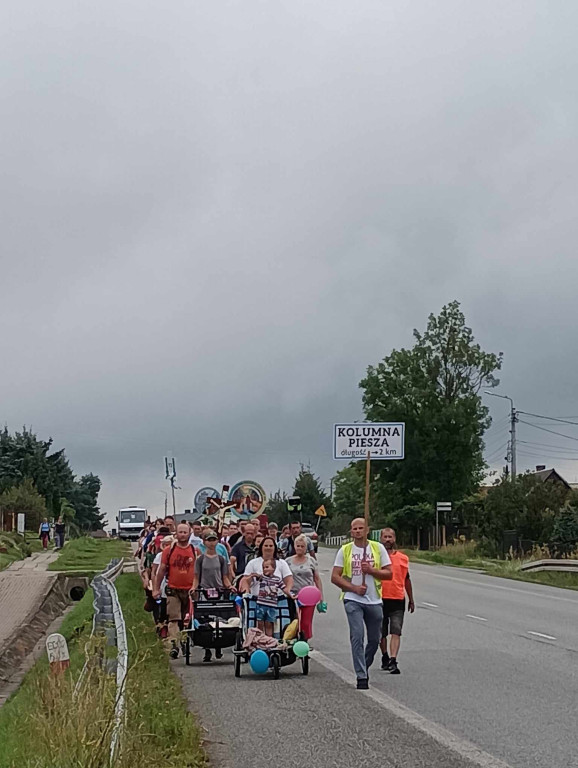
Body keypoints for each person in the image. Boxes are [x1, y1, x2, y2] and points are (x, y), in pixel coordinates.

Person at [331, 518, 392, 690]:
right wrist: (354, 588)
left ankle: (364, 663)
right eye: (354, 528)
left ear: (367, 530)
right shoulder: (345, 550)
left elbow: (389, 573)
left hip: (374, 600)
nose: (358, 531)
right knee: (357, 636)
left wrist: (371, 570)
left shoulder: (377, 548)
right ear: (351, 532)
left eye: (361, 528)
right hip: (353, 599)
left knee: (374, 639)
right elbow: (335, 577)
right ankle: (361, 676)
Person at [154, 522, 196, 659]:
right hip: (173, 590)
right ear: (176, 534)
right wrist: (156, 588)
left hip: (190, 591)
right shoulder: (169, 551)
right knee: (173, 619)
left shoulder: (195, 551)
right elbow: (161, 571)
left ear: (189, 533)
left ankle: (184, 641)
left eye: (185, 532)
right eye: (180, 532)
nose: (183, 535)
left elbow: (198, 572)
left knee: (186, 620)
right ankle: (174, 645)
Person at [192, 529, 234, 662]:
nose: (211, 543)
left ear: (217, 541)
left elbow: (225, 577)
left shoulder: (221, 559)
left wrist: (229, 586)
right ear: (204, 542)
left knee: (219, 617)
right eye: (208, 540)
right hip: (204, 590)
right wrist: (194, 588)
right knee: (205, 618)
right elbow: (196, 577)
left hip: (219, 590)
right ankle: (207, 649)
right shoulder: (200, 559)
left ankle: (218, 646)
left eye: (213, 540)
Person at [379, 527, 414, 675]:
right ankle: (385, 656)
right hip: (379, 599)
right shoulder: (376, 557)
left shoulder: (403, 558)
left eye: (390, 537)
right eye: (385, 537)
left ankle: (393, 660)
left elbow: (407, 579)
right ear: (381, 539)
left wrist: (411, 599)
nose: (388, 540)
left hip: (397, 599)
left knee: (396, 630)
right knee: (381, 633)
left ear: (395, 539)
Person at [286, 534, 323, 639]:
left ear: (306, 548)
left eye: (302, 546)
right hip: (292, 595)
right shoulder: (287, 561)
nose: (300, 548)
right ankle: (292, 642)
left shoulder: (311, 561)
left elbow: (317, 579)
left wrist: (321, 597)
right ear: (294, 546)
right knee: (294, 621)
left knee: (306, 622)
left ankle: (304, 643)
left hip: (308, 596)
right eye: (298, 546)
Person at [247, 559, 292, 636]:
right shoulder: (262, 577)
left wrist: (291, 595)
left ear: (274, 568)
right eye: (263, 567)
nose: (265, 569)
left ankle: (269, 638)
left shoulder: (277, 579)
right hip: (261, 604)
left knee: (269, 623)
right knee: (260, 622)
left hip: (272, 606)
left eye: (267, 567)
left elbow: (284, 588)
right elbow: (257, 577)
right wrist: (253, 575)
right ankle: (260, 638)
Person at [151, 534, 173, 637]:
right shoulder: (159, 556)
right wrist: (155, 588)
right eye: (166, 544)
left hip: (173, 584)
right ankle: (162, 627)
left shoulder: (174, 554)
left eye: (170, 544)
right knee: (163, 608)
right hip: (163, 585)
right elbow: (154, 572)